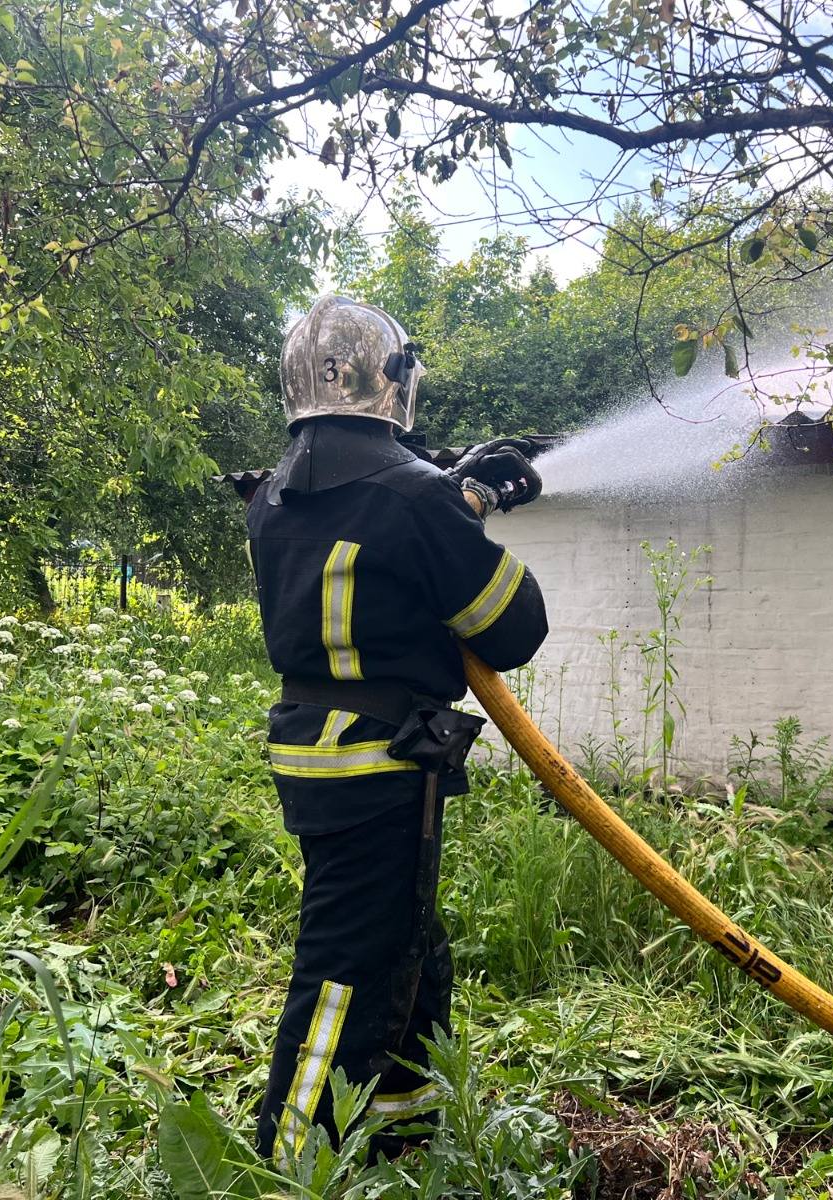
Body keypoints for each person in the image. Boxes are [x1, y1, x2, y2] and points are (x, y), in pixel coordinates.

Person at [246, 295, 547, 1166]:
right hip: (379, 764)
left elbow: (368, 513)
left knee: (409, 939)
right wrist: (471, 500)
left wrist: (455, 486)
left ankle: (404, 1128)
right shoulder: (418, 498)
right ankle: (291, 1156)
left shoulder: (272, 495)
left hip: (314, 749)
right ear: (394, 380)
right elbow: (512, 631)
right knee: (347, 964)